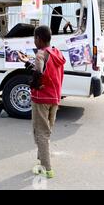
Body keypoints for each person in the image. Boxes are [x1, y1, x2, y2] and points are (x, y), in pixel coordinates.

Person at [18, 26, 66, 179]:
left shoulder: (40, 54)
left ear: (38, 38)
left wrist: (33, 80)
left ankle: (47, 168)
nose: (34, 41)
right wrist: (27, 62)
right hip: (54, 97)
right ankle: (40, 162)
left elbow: (38, 73)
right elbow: (46, 70)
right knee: (46, 131)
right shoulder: (56, 52)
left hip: (41, 98)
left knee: (40, 133)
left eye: (34, 38)